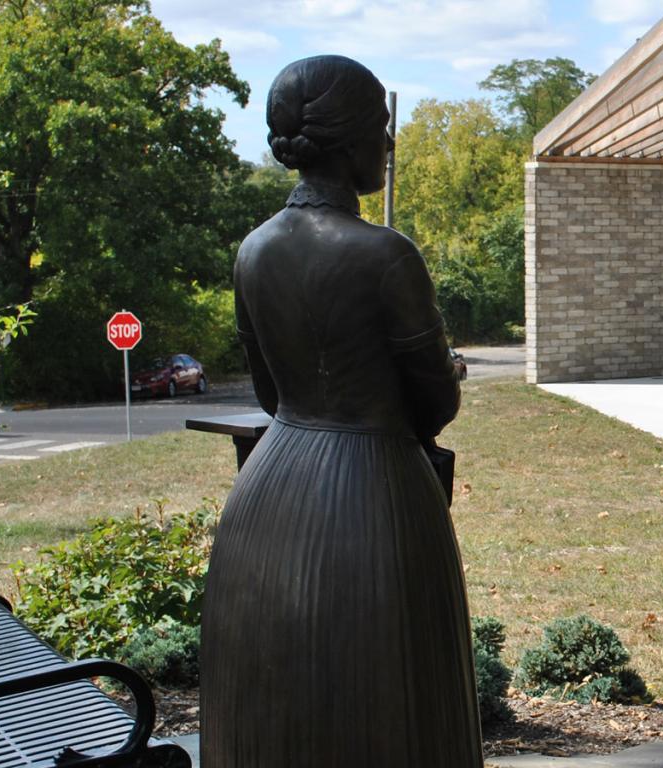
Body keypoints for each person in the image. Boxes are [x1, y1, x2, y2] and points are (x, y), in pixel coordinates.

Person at [201, 55, 477, 766]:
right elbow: (434, 403)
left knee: (279, 695)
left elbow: (268, 391)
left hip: (269, 490)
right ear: (350, 138)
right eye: (382, 129)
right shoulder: (385, 255)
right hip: (373, 494)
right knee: (390, 690)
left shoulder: (253, 251)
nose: (387, 144)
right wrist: (445, 378)